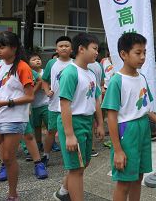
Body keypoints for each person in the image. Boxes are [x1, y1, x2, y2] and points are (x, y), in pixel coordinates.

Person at [101, 32, 156, 201]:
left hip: (142, 129)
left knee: (138, 177)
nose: (142, 57)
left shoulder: (141, 78)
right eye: (138, 53)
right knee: (124, 181)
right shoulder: (116, 81)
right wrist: (118, 150)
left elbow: (145, 108)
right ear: (123, 54)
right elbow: (111, 117)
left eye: (144, 52)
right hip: (127, 131)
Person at [0, 31, 36, 201]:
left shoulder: (23, 67)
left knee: (7, 158)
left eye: (2, 47)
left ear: (14, 47)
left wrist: (3, 103)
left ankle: (13, 194)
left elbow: (30, 96)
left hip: (15, 118)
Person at [54, 33, 105, 201]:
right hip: (73, 123)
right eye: (94, 49)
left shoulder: (90, 72)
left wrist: (100, 124)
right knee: (77, 169)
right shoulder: (70, 72)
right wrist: (69, 135)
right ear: (81, 49)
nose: (97, 52)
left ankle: (62, 191)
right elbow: (64, 104)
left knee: (84, 163)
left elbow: (96, 100)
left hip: (86, 122)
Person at [41, 36, 73, 166]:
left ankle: (70, 157)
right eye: (61, 46)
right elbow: (44, 79)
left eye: (67, 45)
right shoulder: (51, 63)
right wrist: (47, 91)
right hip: (54, 104)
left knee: (70, 130)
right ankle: (46, 155)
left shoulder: (75, 63)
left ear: (72, 49)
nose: (64, 48)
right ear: (56, 49)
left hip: (71, 105)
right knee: (51, 131)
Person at [27, 53, 50, 151]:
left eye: (38, 59)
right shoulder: (28, 73)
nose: (37, 61)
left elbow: (48, 84)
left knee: (50, 125)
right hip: (34, 105)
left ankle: (51, 143)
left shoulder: (45, 72)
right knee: (36, 126)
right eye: (34, 59)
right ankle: (39, 143)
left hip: (46, 103)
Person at [87, 60, 105, 157]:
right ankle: (91, 147)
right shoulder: (99, 64)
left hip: (94, 96)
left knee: (92, 122)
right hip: (95, 96)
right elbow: (102, 82)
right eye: (94, 48)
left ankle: (91, 147)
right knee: (93, 122)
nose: (96, 52)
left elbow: (101, 82)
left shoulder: (93, 69)